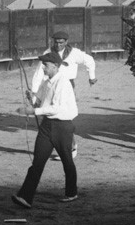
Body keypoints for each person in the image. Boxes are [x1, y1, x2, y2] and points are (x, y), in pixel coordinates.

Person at [13, 51, 79, 207]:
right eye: (43, 65)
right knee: (37, 161)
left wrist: (33, 111)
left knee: (67, 161)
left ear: (55, 66)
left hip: (63, 126)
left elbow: (56, 108)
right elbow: (40, 102)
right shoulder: (46, 81)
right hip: (46, 126)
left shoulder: (63, 82)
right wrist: (33, 98)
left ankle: (71, 192)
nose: (43, 68)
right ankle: (25, 197)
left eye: (46, 65)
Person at [28, 30, 97, 161]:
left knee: (62, 118)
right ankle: (58, 147)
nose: (58, 45)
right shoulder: (48, 53)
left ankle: (70, 148)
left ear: (66, 42)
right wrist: (34, 93)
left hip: (67, 87)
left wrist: (92, 76)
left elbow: (89, 60)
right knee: (49, 118)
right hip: (50, 85)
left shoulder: (74, 53)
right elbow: (38, 73)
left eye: (61, 42)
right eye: (56, 42)